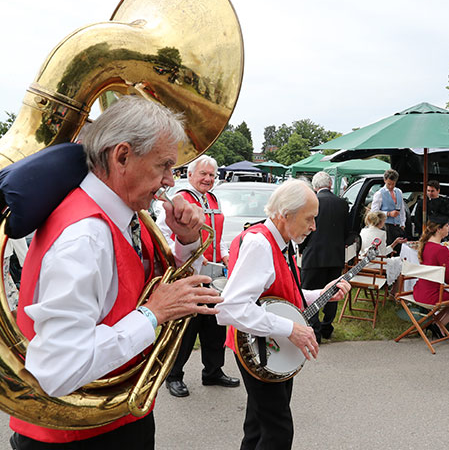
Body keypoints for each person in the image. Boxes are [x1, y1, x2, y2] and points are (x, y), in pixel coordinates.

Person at [9, 96, 221, 448]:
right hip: (78, 436)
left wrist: (185, 240)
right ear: (122, 156)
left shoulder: (127, 214)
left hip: (116, 420)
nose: (170, 180)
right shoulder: (85, 237)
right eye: (164, 165)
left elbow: (166, 284)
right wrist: (152, 315)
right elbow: (57, 369)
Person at [216, 179, 350, 450]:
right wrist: (290, 329)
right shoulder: (260, 244)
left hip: (266, 348)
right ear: (286, 214)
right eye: (310, 218)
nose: (314, 226)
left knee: (257, 426)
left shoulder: (281, 241)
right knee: (278, 431)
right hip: (260, 350)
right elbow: (230, 308)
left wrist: (320, 293)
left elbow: (284, 296)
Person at [157, 155, 240, 398]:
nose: (208, 179)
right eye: (203, 174)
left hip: (213, 276)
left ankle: (213, 371)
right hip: (189, 274)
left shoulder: (213, 199)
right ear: (190, 175)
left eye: (212, 175)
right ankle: (173, 376)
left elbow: (218, 234)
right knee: (185, 327)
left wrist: (224, 255)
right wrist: (183, 260)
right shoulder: (179, 199)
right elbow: (163, 234)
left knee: (214, 325)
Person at [299, 171, 350, 343]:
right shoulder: (342, 203)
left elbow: (304, 228)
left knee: (308, 291)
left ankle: (315, 328)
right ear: (329, 185)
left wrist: (301, 248)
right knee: (332, 293)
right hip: (335, 255)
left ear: (315, 187)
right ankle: (328, 326)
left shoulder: (312, 201)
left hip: (313, 255)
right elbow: (348, 232)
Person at [413, 215, 449, 336]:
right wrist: (448, 267)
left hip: (418, 292)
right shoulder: (441, 250)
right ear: (439, 229)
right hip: (432, 296)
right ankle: (439, 325)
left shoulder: (424, 245)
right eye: (447, 225)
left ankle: (433, 322)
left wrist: (447, 265)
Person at [371, 169, 406, 251]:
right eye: (388, 184)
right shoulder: (379, 193)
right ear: (384, 180)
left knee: (399, 251)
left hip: (397, 227)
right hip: (385, 227)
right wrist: (388, 214)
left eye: (393, 184)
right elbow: (374, 212)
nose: (391, 186)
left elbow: (402, 210)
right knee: (388, 251)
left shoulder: (399, 192)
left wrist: (402, 224)